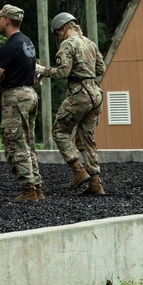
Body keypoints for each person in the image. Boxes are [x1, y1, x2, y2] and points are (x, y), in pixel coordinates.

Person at [36, 12, 106, 195]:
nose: (58, 36)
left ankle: (78, 171)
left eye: (58, 32)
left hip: (80, 94)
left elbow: (62, 72)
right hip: (96, 94)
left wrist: (43, 70)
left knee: (59, 131)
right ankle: (96, 184)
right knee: (87, 139)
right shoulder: (90, 43)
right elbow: (101, 68)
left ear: (64, 27)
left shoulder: (68, 44)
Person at [0, 4, 43, 202]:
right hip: (30, 94)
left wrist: (1, 76)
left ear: (7, 21)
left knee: (15, 145)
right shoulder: (28, 43)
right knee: (28, 143)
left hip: (15, 98)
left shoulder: (9, 47)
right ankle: (37, 186)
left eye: (0, 18)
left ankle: (28, 191)